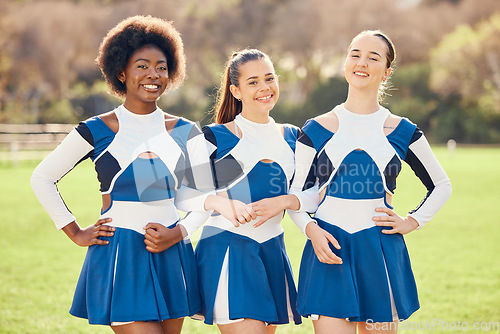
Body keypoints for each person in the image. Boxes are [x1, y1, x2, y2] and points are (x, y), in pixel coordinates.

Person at [30, 15, 213, 334]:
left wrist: (178, 233)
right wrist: (75, 232)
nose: (153, 74)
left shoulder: (186, 132)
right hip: (120, 254)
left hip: (170, 252)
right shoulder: (96, 129)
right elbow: (42, 178)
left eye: (161, 66)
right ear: (121, 72)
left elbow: (202, 199)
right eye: (142, 65)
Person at [289, 30, 452, 334]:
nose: (361, 62)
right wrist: (311, 230)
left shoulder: (403, 131)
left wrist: (412, 221)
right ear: (345, 64)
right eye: (355, 54)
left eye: (373, 57)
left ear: (387, 72)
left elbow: (442, 185)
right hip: (329, 249)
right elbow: (296, 195)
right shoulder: (316, 129)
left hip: (380, 251)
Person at [167, 48, 303, 334]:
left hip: (273, 251)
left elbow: (306, 195)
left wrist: (287, 201)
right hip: (229, 250)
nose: (264, 88)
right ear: (236, 91)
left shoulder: (292, 136)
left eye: (269, 78)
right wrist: (218, 202)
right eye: (253, 82)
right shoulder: (217, 137)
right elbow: (183, 194)